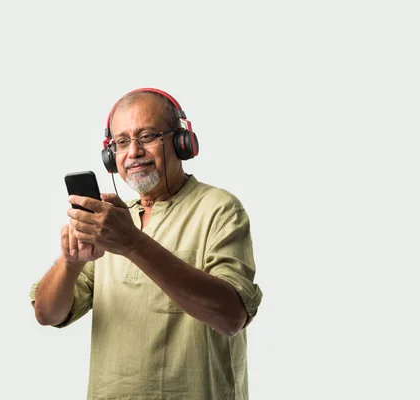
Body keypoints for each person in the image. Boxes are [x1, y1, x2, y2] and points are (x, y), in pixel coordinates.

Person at [30, 88, 263, 399]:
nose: (134, 151)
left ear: (182, 142)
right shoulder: (112, 222)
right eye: (122, 142)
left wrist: (133, 244)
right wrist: (71, 262)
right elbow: (47, 314)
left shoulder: (219, 208)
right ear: (110, 156)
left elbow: (232, 317)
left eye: (148, 136)